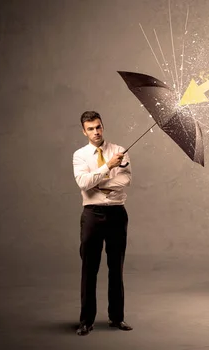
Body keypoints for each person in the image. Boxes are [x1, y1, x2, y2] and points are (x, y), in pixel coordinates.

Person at [72, 111, 133, 336]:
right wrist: (107, 167)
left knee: (116, 268)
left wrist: (98, 182)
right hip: (92, 215)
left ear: (103, 126)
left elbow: (126, 180)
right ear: (84, 131)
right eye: (90, 128)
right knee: (90, 268)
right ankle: (86, 321)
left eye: (98, 127)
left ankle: (117, 318)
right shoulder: (79, 155)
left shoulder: (120, 151)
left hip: (117, 214)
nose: (96, 132)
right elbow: (83, 182)